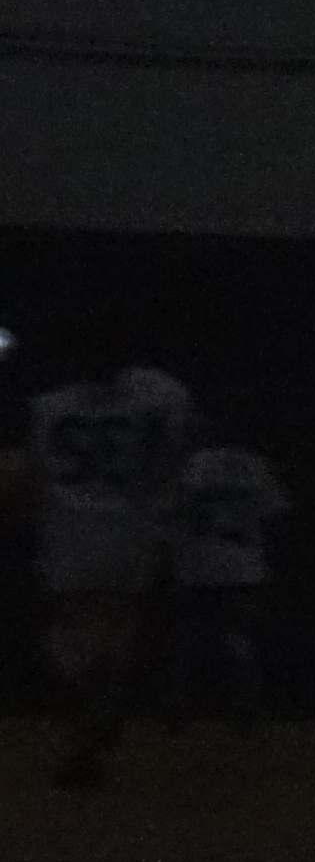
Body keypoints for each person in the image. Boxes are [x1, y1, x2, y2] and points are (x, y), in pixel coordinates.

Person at [18, 321, 194, 791]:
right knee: (119, 625)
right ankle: (100, 702)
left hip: (69, 530)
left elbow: (34, 474)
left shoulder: (47, 407)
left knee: (68, 628)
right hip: (130, 530)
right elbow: (173, 457)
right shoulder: (162, 396)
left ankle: (87, 709)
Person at [161, 424, 290, 724]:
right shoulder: (255, 465)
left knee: (189, 638)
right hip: (244, 567)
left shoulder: (194, 465)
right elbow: (277, 515)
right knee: (237, 638)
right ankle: (246, 704)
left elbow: (171, 511)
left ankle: (182, 704)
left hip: (198, 567)